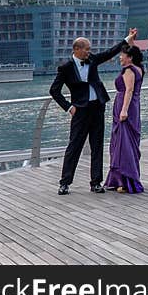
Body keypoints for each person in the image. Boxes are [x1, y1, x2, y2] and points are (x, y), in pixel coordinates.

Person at [50, 28, 138, 195]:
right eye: (86, 49)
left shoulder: (92, 60)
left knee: (97, 146)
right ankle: (65, 183)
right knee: (74, 146)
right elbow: (54, 91)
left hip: (97, 107)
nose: (89, 52)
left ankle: (96, 182)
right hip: (79, 111)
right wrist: (69, 107)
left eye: (89, 49)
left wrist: (128, 38)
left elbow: (110, 52)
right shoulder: (66, 68)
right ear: (76, 49)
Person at [105, 44, 145, 194]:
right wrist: (132, 41)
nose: (120, 57)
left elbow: (129, 90)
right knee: (129, 143)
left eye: (122, 55)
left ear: (130, 58)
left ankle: (124, 181)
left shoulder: (129, 70)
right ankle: (125, 179)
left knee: (123, 144)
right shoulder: (139, 69)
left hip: (126, 107)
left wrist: (123, 110)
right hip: (134, 107)